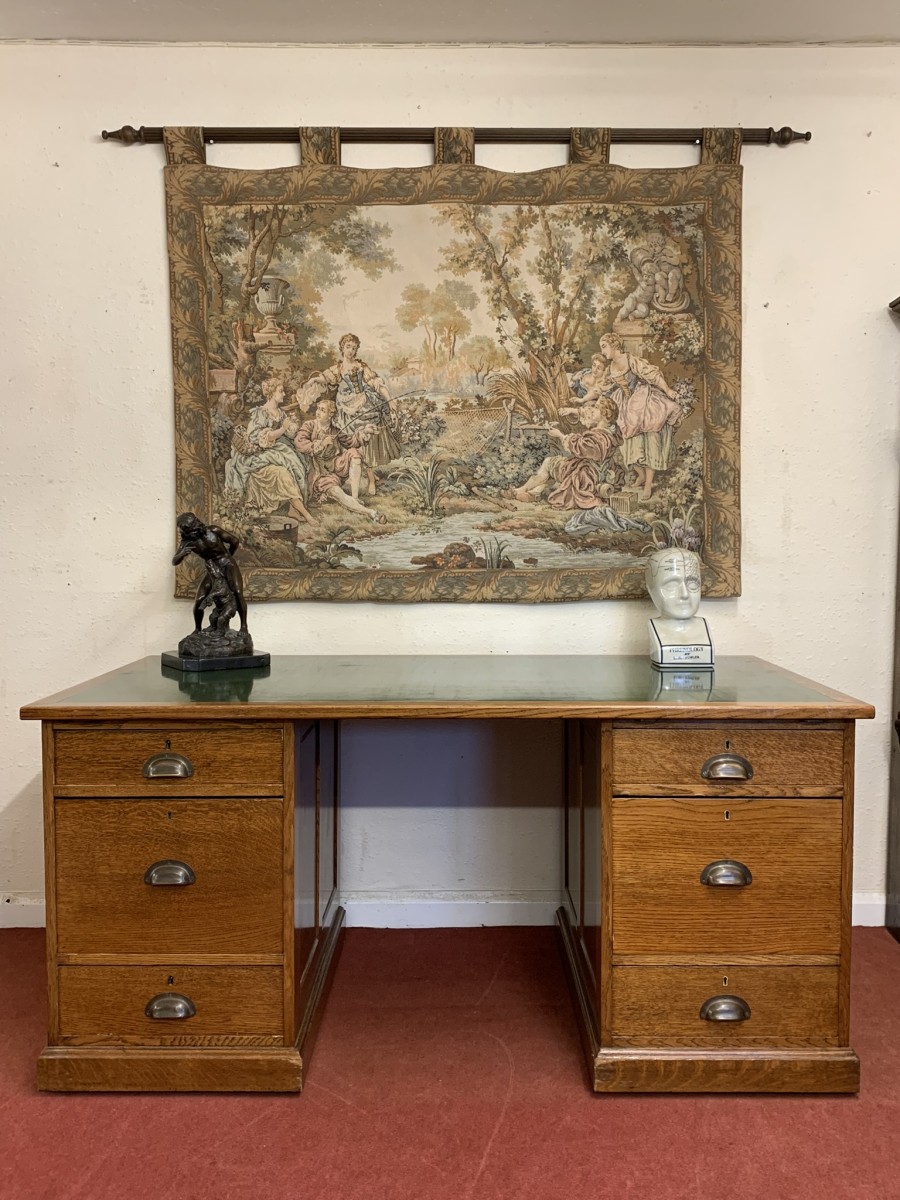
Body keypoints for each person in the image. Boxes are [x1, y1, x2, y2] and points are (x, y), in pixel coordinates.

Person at [302, 333, 399, 492]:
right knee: (351, 441)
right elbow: (325, 378)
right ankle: (354, 473)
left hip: (364, 405)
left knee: (368, 440)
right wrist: (313, 380)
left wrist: (390, 400)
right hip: (345, 409)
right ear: (342, 348)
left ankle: (370, 477)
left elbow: (376, 383)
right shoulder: (338, 368)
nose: (351, 351)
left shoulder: (361, 367)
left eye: (354, 348)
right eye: (348, 347)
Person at [596, 331, 686, 500]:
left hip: (642, 401)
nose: (602, 351)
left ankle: (648, 485)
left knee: (650, 440)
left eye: (604, 347)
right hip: (624, 403)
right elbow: (605, 387)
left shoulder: (630, 360)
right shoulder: (610, 368)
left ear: (614, 344)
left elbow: (652, 375)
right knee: (626, 442)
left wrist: (667, 390)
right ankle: (641, 474)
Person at [224, 376, 316, 528]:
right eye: (281, 391)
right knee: (283, 471)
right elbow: (256, 437)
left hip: (277, 450)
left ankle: (294, 510)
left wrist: (292, 426)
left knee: (301, 463)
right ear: (272, 393)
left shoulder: (280, 413)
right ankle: (305, 513)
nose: (284, 394)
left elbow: (289, 434)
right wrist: (283, 428)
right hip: (259, 453)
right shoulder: (261, 412)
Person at [508, 396, 621, 509]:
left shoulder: (598, 437)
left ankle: (521, 489)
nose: (591, 410)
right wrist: (572, 411)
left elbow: (581, 447)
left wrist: (560, 435)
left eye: (596, 408)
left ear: (605, 415)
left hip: (586, 473)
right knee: (557, 466)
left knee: (549, 462)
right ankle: (534, 493)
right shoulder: (611, 433)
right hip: (599, 471)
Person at [293, 393, 387, 523]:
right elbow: (299, 442)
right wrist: (320, 443)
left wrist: (365, 431)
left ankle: (354, 497)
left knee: (354, 453)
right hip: (320, 474)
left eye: (323, 410)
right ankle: (372, 513)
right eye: (318, 408)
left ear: (331, 415)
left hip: (336, 466)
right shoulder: (309, 426)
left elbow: (351, 442)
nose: (318, 412)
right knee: (338, 493)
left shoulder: (334, 430)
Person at [172, 512, 247, 637]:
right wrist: (181, 554)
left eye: (196, 521)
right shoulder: (187, 543)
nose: (197, 525)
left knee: (238, 592)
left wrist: (228, 557)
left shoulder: (213, 530)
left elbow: (234, 541)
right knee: (200, 598)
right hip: (212, 569)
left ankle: (244, 626)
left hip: (227, 563)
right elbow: (174, 561)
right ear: (187, 531)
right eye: (193, 526)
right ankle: (197, 629)